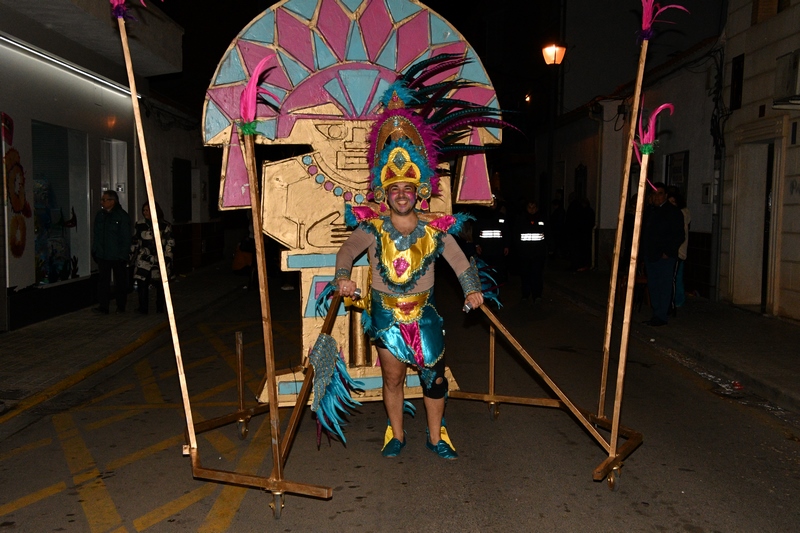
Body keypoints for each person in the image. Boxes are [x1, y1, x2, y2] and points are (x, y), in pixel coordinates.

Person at [327, 55, 506, 460]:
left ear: (419, 191)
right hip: (385, 313)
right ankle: (396, 434)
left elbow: (460, 261)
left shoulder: (434, 229)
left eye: (408, 188)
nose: (402, 194)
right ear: (384, 194)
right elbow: (347, 250)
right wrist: (342, 277)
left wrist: (472, 289)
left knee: (434, 379)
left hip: (424, 313)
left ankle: (436, 436)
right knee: (392, 378)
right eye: (394, 190)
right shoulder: (371, 227)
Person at [641, 182, 685, 326]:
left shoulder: (673, 212)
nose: (657, 197)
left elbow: (679, 235)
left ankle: (661, 315)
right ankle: (656, 312)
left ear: (665, 195)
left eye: (660, 194)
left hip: (665, 256)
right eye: (654, 194)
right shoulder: (650, 211)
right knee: (653, 285)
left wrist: (668, 251)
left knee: (664, 285)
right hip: (651, 254)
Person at [92, 190, 132, 314]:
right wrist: (95, 250)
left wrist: (123, 254)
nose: (102, 202)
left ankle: (121, 305)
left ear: (112, 201)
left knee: (120, 281)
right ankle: (103, 306)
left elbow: (126, 237)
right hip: (103, 255)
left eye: (104, 200)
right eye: (102, 200)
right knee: (103, 281)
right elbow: (97, 234)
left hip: (117, 255)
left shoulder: (121, 216)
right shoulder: (100, 215)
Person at [130, 201, 174, 314]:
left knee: (160, 284)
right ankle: (143, 307)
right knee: (142, 283)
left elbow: (169, 242)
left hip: (160, 258)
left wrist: (167, 257)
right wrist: (132, 254)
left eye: (148, 210)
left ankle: (160, 306)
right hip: (144, 258)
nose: (145, 213)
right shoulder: (140, 224)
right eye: (144, 210)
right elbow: (136, 241)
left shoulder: (164, 225)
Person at [516, 201, 547, 302]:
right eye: (530, 207)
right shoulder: (521, 219)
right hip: (525, 253)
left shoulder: (542, 219)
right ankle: (525, 295)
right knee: (525, 275)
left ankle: (537, 295)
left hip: (538, 253)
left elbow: (547, 233)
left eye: (534, 207)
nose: (532, 209)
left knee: (537, 275)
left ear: (537, 208)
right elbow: (516, 235)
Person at [667, 188, 690, 310]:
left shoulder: (681, 215)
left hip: (678, 251)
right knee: (675, 276)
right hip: (675, 250)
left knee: (677, 277)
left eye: (673, 202)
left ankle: (678, 300)